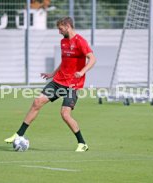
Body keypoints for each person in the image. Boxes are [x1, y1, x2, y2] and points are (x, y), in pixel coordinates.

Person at [5, 17, 96, 152]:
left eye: (60, 28)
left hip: (73, 85)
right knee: (37, 102)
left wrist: (82, 72)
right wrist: (52, 73)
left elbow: (92, 59)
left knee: (65, 114)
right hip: (58, 81)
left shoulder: (80, 41)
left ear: (67, 26)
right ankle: (19, 134)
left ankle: (82, 143)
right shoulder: (63, 42)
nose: (59, 32)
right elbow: (64, 61)